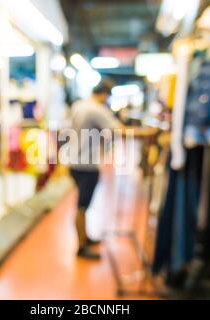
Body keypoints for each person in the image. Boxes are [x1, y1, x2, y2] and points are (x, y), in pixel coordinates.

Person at [69, 80, 157, 260]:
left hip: (75, 161)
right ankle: (81, 247)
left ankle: (85, 238)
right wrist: (147, 133)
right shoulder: (95, 109)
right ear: (104, 94)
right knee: (82, 206)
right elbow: (120, 130)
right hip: (87, 164)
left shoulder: (79, 105)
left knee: (82, 205)